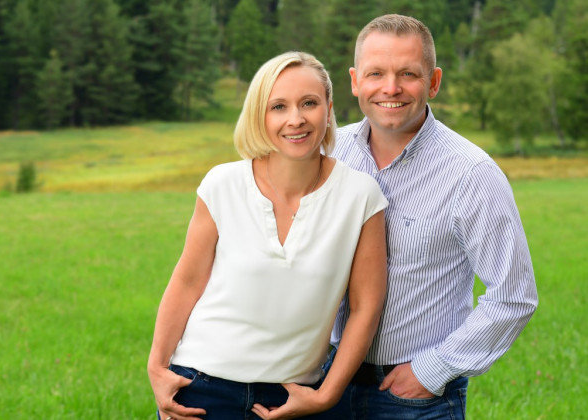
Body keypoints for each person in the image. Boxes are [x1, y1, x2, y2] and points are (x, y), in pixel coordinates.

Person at [147, 51, 389, 420]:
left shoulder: (361, 196)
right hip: (201, 389)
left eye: (309, 103)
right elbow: (187, 281)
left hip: (294, 397)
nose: (296, 119)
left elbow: (365, 307)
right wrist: (157, 367)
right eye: (279, 106)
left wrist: (326, 396)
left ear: (328, 109)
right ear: (260, 116)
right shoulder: (222, 184)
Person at [325, 14, 539, 419]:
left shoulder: (471, 173)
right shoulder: (328, 154)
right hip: (325, 382)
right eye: (376, 73)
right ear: (354, 81)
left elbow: (514, 294)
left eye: (408, 74)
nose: (391, 88)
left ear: (434, 82)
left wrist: (431, 371)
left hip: (415, 400)